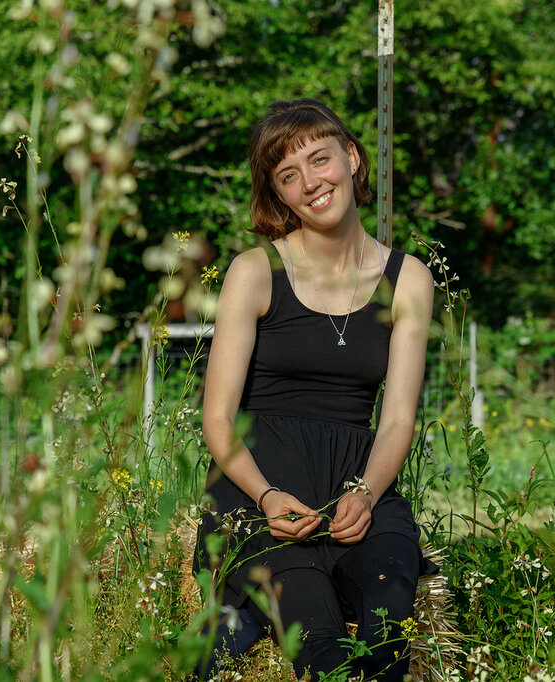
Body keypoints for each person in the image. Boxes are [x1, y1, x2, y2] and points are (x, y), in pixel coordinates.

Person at [192, 98, 433, 680]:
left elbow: (398, 419)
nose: (311, 183)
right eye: (288, 175)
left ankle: (244, 620)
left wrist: (367, 495)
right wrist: (267, 496)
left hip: (355, 483)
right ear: (279, 194)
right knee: (318, 635)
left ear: (351, 157)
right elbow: (217, 418)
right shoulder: (255, 272)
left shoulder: (409, 279)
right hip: (260, 488)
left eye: (320, 159)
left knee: (390, 615)